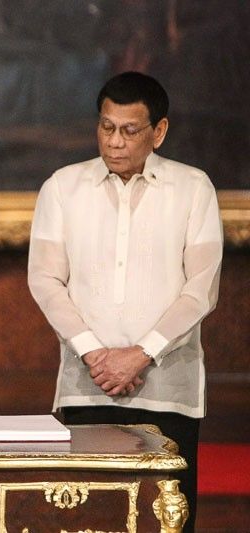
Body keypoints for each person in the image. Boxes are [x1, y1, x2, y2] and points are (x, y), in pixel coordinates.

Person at [28, 71, 222, 532]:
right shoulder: (62, 186)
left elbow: (201, 289)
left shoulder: (193, 188)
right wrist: (95, 353)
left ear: (159, 131)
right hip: (86, 384)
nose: (115, 142)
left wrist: (141, 354)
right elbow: (45, 280)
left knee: (165, 520)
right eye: (106, 127)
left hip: (167, 390)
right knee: (84, 519)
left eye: (129, 130)